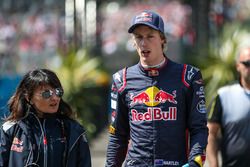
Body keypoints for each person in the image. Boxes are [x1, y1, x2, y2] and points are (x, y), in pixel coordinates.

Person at [105, 10, 208, 167]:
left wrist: (195, 162)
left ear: (162, 39)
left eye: (150, 36)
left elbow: (198, 128)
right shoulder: (121, 80)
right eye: (139, 37)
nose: (143, 43)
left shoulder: (188, 77)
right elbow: (117, 135)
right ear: (133, 41)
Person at [0, 68, 91, 167]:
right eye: (47, 94)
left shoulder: (74, 131)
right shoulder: (10, 129)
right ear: (28, 97)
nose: (55, 98)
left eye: (58, 92)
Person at [207, 46, 250, 167]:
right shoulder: (224, 95)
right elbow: (210, 133)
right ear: (238, 66)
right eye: (247, 63)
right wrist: (214, 164)